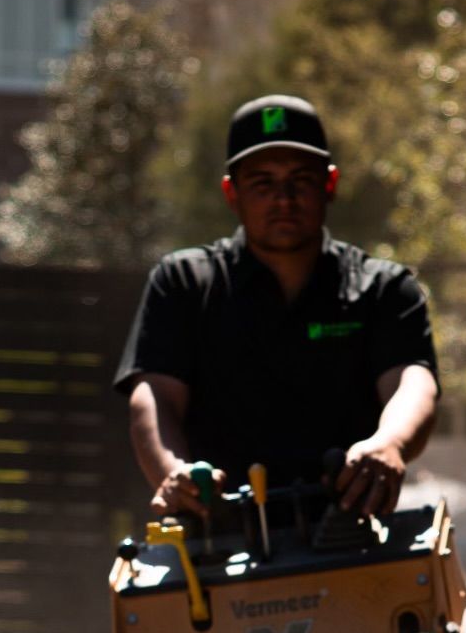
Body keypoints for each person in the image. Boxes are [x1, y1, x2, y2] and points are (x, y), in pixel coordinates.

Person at [115, 92, 441, 524]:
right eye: (263, 182)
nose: (283, 199)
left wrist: (389, 443)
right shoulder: (184, 285)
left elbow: (413, 382)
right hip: (215, 543)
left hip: (354, 539)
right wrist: (174, 474)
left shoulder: (384, 289)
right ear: (232, 193)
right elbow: (152, 396)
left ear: (330, 184)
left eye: (300, 181)